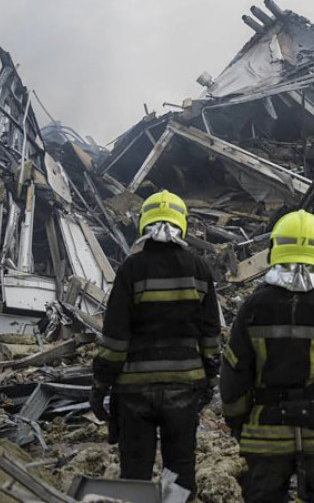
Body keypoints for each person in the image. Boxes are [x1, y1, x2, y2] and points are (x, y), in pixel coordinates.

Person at [220, 209, 314, 503]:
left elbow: (235, 373)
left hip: (266, 434)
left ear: (274, 249)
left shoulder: (253, 307)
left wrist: (238, 422)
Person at [91, 190, 221, 498]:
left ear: (143, 223)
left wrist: (100, 385)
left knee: (134, 472)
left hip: (134, 393)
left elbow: (115, 337)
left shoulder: (130, 269)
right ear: (182, 224)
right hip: (184, 389)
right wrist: (210, 376)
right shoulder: (199, 269)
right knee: (180, 470)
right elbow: (211, 333)